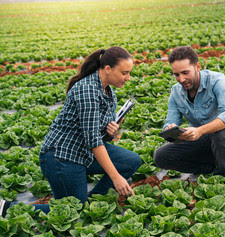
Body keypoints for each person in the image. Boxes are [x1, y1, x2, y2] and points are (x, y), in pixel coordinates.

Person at [1, 46, 141, 217]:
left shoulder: (109, 91)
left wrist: (110, 132)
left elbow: (97, 135)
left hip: (84, 153)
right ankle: (7, 208)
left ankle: (91, 200)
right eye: (125, 73)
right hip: (61, 157)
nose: (128, 78)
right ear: (107, 69)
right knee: (71, 211)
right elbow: (93, 141)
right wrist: (116, 178)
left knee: (131, 161)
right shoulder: (88, 90)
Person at [153, 46, 225, 180]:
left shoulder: (217, 81)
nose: (181, 79)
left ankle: (223, 176)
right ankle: (208, 169)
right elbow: (170, 121)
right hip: (204, 141)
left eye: (185, 72)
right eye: (177, 74)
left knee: (220, 132)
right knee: (160, 156)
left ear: (197, 67)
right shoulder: (176, 91)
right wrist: (171, 129)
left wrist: (199, 131)